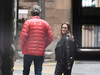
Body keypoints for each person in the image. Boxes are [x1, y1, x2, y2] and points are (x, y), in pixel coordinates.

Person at [20, 5, 53, 75]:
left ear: (31, 13)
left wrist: (22, 46)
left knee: (26, 70)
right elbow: (50, 38)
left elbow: (23, 37)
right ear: (39, 13)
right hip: (40, 52)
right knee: (38, 71)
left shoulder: (27, 23)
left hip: (28, 51)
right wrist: (43, 46)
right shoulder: (45, 23)